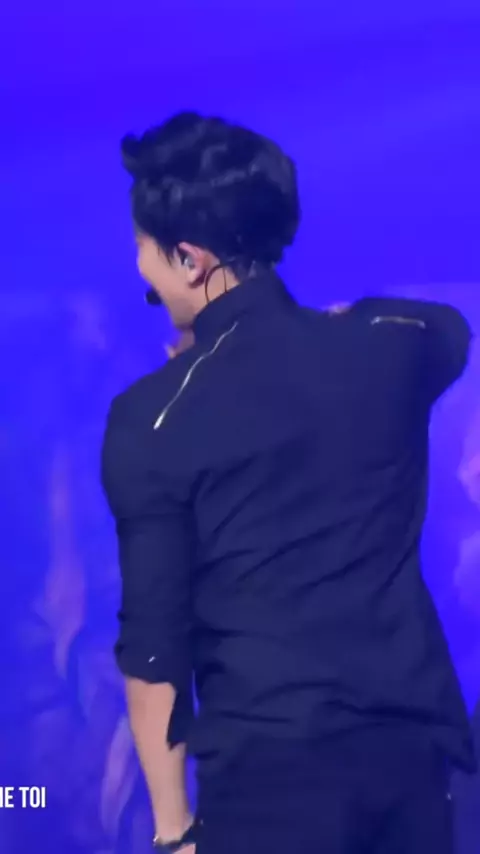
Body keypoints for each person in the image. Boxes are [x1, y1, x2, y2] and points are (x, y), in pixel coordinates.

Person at [101, 111, 475, 854]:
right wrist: (338, 322)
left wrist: (174, 832)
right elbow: (448, 329)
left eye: (143, 248)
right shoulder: (386, 351)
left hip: (270, 786)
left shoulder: (154, 417)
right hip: (411, 773)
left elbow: (154, 649)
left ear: (189, 259)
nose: (140, 269)